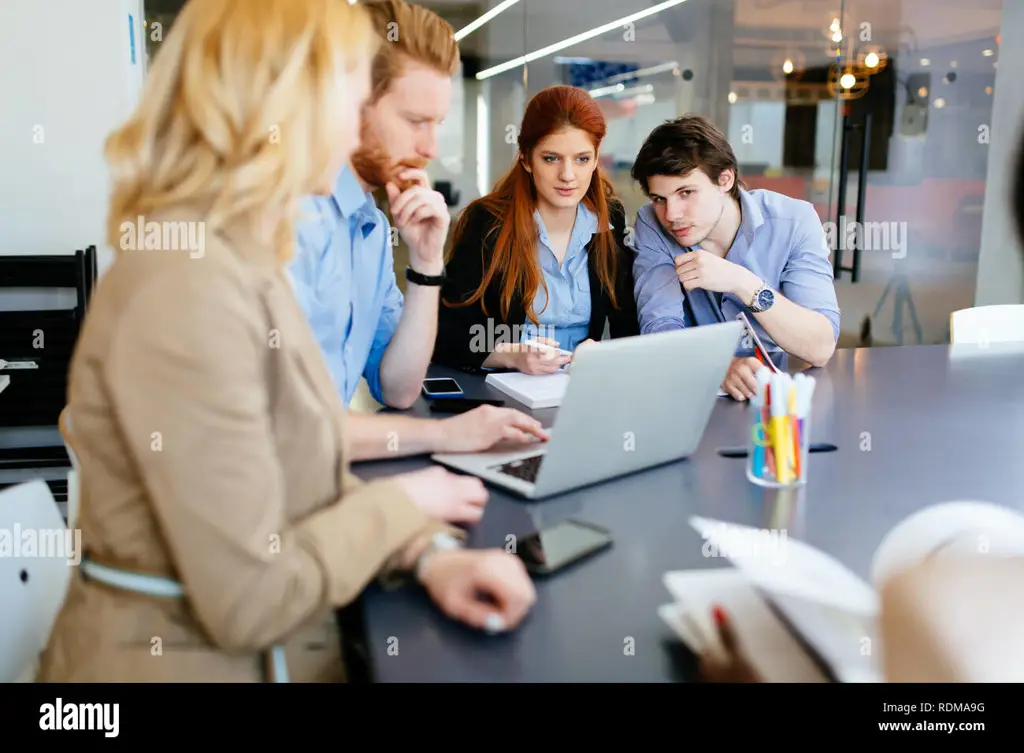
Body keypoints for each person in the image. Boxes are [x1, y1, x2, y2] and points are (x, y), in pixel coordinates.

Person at [37, 0, 535, 684]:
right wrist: (407, 504)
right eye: (348, 99)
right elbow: (251, 600)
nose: (351, 129)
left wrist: (425, 555)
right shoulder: (187, 286)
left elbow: (306, 460)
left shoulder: (239, 255)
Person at [288, 0, 548, 464]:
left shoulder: (369, 226)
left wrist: (427, 262)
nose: (430, 148)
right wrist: (446, 436)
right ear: (352, 104)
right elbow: (289, 427)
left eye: (438, 125)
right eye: (414, 122)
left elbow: (399, 387)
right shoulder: (293, 219)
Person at [630, 115, 841, 401]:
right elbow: (659, 329)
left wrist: (743, 283)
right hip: (695, 394)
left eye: (686, 193)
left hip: (781, 395)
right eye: (659, 199)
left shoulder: (793, 221)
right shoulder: (652, 224)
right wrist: (715, 366)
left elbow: (820, 348)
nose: (672, 215)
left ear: (725, 180)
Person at [433, 85, 640, 373]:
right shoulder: (488, 222)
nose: (568, 175)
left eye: (581, 159)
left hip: (581, 385)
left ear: (595, 159)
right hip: (508, 388)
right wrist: (510, 355)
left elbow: (630, 324)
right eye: (551, 158)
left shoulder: (610, 220)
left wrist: (606, 351)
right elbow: (444, 333)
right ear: (526, 159)